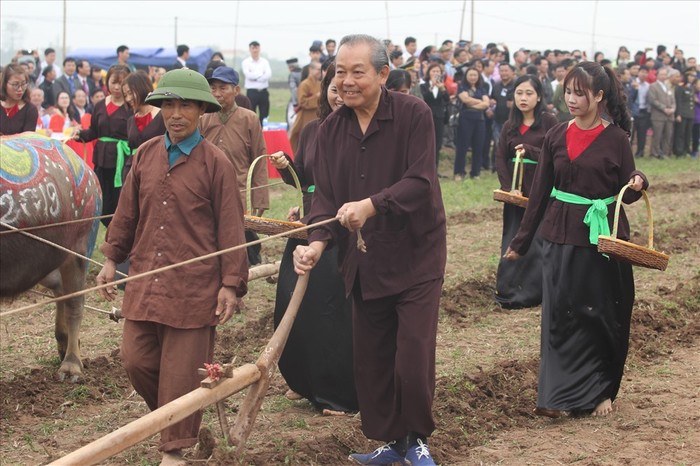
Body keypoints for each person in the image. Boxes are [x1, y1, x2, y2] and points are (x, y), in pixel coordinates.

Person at [292, 34, 446, 466]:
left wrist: (371, 205)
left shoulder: (414, 114)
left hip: (416, 256)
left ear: (382, 74)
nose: (346, 80)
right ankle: (391, 442)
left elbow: (420, 182)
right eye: (339, 71)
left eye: (357, 71)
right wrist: (316, 243)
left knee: (412, 360)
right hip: (363, 261)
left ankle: (415, 439)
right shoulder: (326, 132)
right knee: (374, 362)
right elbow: (324, 199)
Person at [96, 68, 247, 466]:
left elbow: (232, 228)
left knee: (182, 371)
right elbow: (125, 215)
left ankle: (174, 450)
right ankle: (175, 419)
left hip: (194, 288)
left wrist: (230, 283)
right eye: (168, 105)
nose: (175, 113)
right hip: (146, 278)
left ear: (200, 110)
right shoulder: (146, 155)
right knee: (136, 359)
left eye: (185, 105)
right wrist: (111, 259)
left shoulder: (216, 164)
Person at [504, 61, 648, 418]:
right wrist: (521, 242)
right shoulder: (556, 135)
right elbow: (538, 194)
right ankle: (554, 397)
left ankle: (600, 390)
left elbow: (625, 190)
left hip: (600, 240)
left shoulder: (615, 138)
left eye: (579, 93)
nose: (570, 99)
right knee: (559, 316)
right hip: (558, 234)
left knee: (597, 315)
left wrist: (638, 181)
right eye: (567, 91)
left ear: (599, 96)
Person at [269, 60, 358, 416]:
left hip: (341, 235)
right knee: (294, 305)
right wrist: (284, 167)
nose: (338, 95)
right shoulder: (312, 131)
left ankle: (338, 390)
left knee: (332, 313)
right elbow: (306, 180)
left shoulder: (362, 136)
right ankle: (303, 381)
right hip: (308, 228)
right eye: (333, 89)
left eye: (344, 89)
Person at [494, 75, 558, 309]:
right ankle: (508, 290)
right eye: (519, 93)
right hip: (515, 193)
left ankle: (534, 292)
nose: (523, 98)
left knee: (537, 240)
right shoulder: (509, 126)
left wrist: (530, 151)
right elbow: (501, 157)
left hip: (540, 192)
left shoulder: (549, 122)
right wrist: (508, 187)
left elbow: (557, 155)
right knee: (512, 236)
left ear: (539, 96)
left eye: (529, 93)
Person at [199, 66, 269, 266]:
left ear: (236, 91)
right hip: (207, 189)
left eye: (223, 88)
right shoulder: (203, 118)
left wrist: (260, 198)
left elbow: (259, 159)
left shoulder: (249, 119)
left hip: (239, 190)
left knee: (239, 239)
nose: (217, 93)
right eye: (213, 88)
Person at [73, 64, 131, 227]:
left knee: (120, 199)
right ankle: (109, 229)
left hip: (123, 161)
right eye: (114, 82)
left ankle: (119, 233)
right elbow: (94, 131)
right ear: (107, 82)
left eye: (121, 83)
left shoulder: (131, 106)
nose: (117, 87)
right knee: (103, 200)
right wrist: (80, 135)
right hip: (102, 159)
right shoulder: (99, 105)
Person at [122, 70, 165, 181]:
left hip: (157, 170)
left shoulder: (162, 115)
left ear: (142, 88)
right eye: (125, 95)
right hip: (133, 172)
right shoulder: (131, 120)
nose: (128, 99)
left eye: (130, 93)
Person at [454, 66, 489, 181]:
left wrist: (473, 103)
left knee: (478, 146)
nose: (473, 77)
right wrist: (480, 102)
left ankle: (475, 172)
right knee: (462, 147)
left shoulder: (482, 88)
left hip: (480, 120)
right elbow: (465, 100)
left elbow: (486, 104)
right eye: (470, 75)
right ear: (466, 76)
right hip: (465, 119)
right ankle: (459, 172)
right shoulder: (462, 86)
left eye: (475, 75)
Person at [420, 63, 449, 169]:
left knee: (437, 144)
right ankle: (425, 167)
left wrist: (442, 89)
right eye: (434, 71)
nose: (436, 73)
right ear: (429, 73)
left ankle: (435, 169)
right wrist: (432, 86)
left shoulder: (442, 86)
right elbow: (425, 98)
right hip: (427, 117)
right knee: (427, 143)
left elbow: (447, 100)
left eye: (438, 71)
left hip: (439, 117)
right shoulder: (423, 85)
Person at [289, 60, 321, 154]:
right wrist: (317, 97)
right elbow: (302, 102)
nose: (320, 72)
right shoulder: (304, 84)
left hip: (317, 116)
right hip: (305, 117)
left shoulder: (320, 84)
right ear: (310, 69)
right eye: (318, 69)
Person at [1, 64, 38, 135]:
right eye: (15, 84)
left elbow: (27, 140)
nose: (20, 89)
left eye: (23, 84)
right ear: (5, 84)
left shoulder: (30, 110)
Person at [647, 67, 675, 159]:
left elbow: (673, 100)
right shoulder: (653, 86)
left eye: (665, 74)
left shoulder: (668, 86)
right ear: (657, 75)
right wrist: (664, 108)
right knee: (657, 135)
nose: (664, 76)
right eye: (662, 74)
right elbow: (653, 100)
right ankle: (655, 153)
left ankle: (665, 153)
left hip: (670, 115)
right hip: (658, 115)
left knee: (668, 135)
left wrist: (673, 109)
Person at [241, 40, 272, 125]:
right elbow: (248, 75)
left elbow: (268, 75)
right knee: (251, 114)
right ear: (250, 49)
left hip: (263, 91)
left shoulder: (265, 62)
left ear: (259, 49)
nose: (255, 50)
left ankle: (263, 132)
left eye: (257, 48)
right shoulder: (246, 62)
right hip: (252, 92)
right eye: (253, 48)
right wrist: (261, 75)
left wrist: (255, 76)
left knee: (264, 114)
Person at [673, 70, 695, 156]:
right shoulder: (680, 87)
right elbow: (678, 101)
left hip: (690, 113)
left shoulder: (691, 87)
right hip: (682, 113)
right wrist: (678, 114)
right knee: (680, 133)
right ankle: (679, 151)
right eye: (690, 76)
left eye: (693, 76)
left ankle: (686, 150)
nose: (692, 78)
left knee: (688, 133)